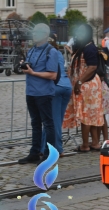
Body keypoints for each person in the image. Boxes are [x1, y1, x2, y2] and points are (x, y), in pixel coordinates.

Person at [18, 23, 58, 164]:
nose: (34, 34)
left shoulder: (51, 51)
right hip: (31, 92)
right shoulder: (32, 50)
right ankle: (34, 153)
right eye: (33, 32)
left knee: (48, 124)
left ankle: (50, 154)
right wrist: (25, 65)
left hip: (44, 93)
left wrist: (33, 72)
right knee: (35, 123)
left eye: (37, 32)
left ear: (45, 35)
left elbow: (53, 75)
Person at [63, 24, 104, 152]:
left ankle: (86, 144)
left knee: (86, 115)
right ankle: (95, 143)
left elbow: (92, 67)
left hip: (87, 85)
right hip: (87, 85)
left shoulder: (89, 48)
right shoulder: (84, 47)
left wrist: (79, 82)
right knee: (90, 115)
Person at [40, 34, 72, 157]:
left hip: (55, 87)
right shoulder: (58, 52)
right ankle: (44, 148)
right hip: (66, 86)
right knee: (54, 120)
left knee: (52, 121)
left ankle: (57, 148)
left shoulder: (47, 52)